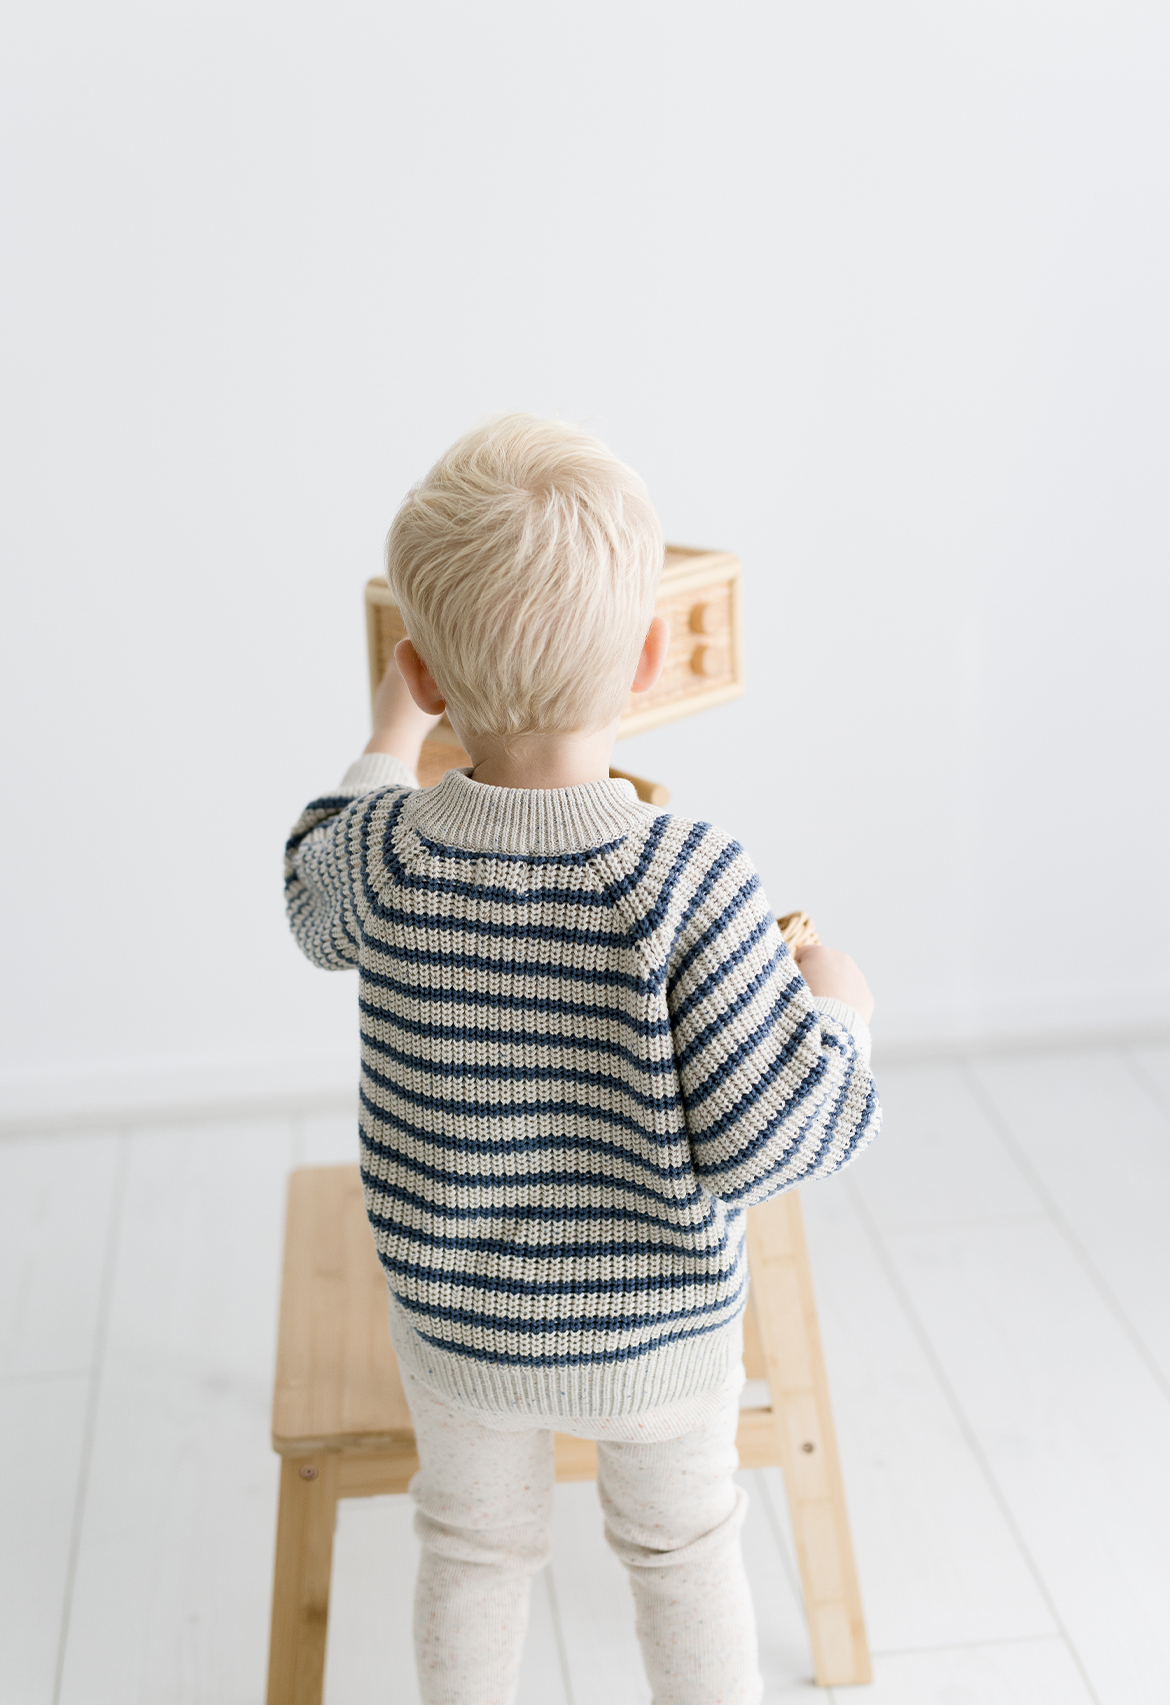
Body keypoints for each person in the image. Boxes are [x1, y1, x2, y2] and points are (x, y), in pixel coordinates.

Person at [285, 414, 880, 1704]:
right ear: (654, 656)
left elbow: (308, 896)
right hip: (658, 1334)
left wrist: (387, 742)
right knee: (685, 1553)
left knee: (470, 1553)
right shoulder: (691, 879)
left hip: (463, 1330)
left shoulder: (389, 857)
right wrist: (839, 1015)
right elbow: (765, 1138)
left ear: (426, 676)